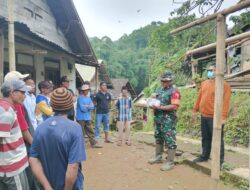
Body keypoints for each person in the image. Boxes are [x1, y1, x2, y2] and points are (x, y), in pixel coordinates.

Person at [29, 87, 86, 190]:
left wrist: (47, 187)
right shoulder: (75, 128)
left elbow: (33, 159)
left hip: (48, 183)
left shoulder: (40, 128)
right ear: (70, 106)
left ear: (51, 105)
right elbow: (73, 167)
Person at [192, 65, 231, 166]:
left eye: (212, 70)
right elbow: (199, 97)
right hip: (204, 115)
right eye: (208, 70)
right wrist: (195, 110)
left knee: (218, 139)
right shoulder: (204, 83)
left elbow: (226, 102)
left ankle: (219, 161)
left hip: (215, 117)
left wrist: (223, 117)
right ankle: (204, 156)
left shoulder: (224, 85)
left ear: (218, 71)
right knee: (205, 137)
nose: (209, 72)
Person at [148, 71, 181, 171]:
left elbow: (174, 106)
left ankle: (170, 162)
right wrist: (151, 101)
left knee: (170, 139)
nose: (163, 83)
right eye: (162, 81)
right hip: (158, 118)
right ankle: (158, 157)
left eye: (165, 81)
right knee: (158, 136)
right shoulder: (159, 89)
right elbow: (154, 100)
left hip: (168, 120)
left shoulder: (175, 91)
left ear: (171, 80)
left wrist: (160, 107)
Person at [0, 80, 30, 189]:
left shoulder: (7, 108)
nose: (25, 96)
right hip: (12, 169)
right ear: (13, 92)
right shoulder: (6, 111)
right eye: (22, 92)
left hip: (10, 167)